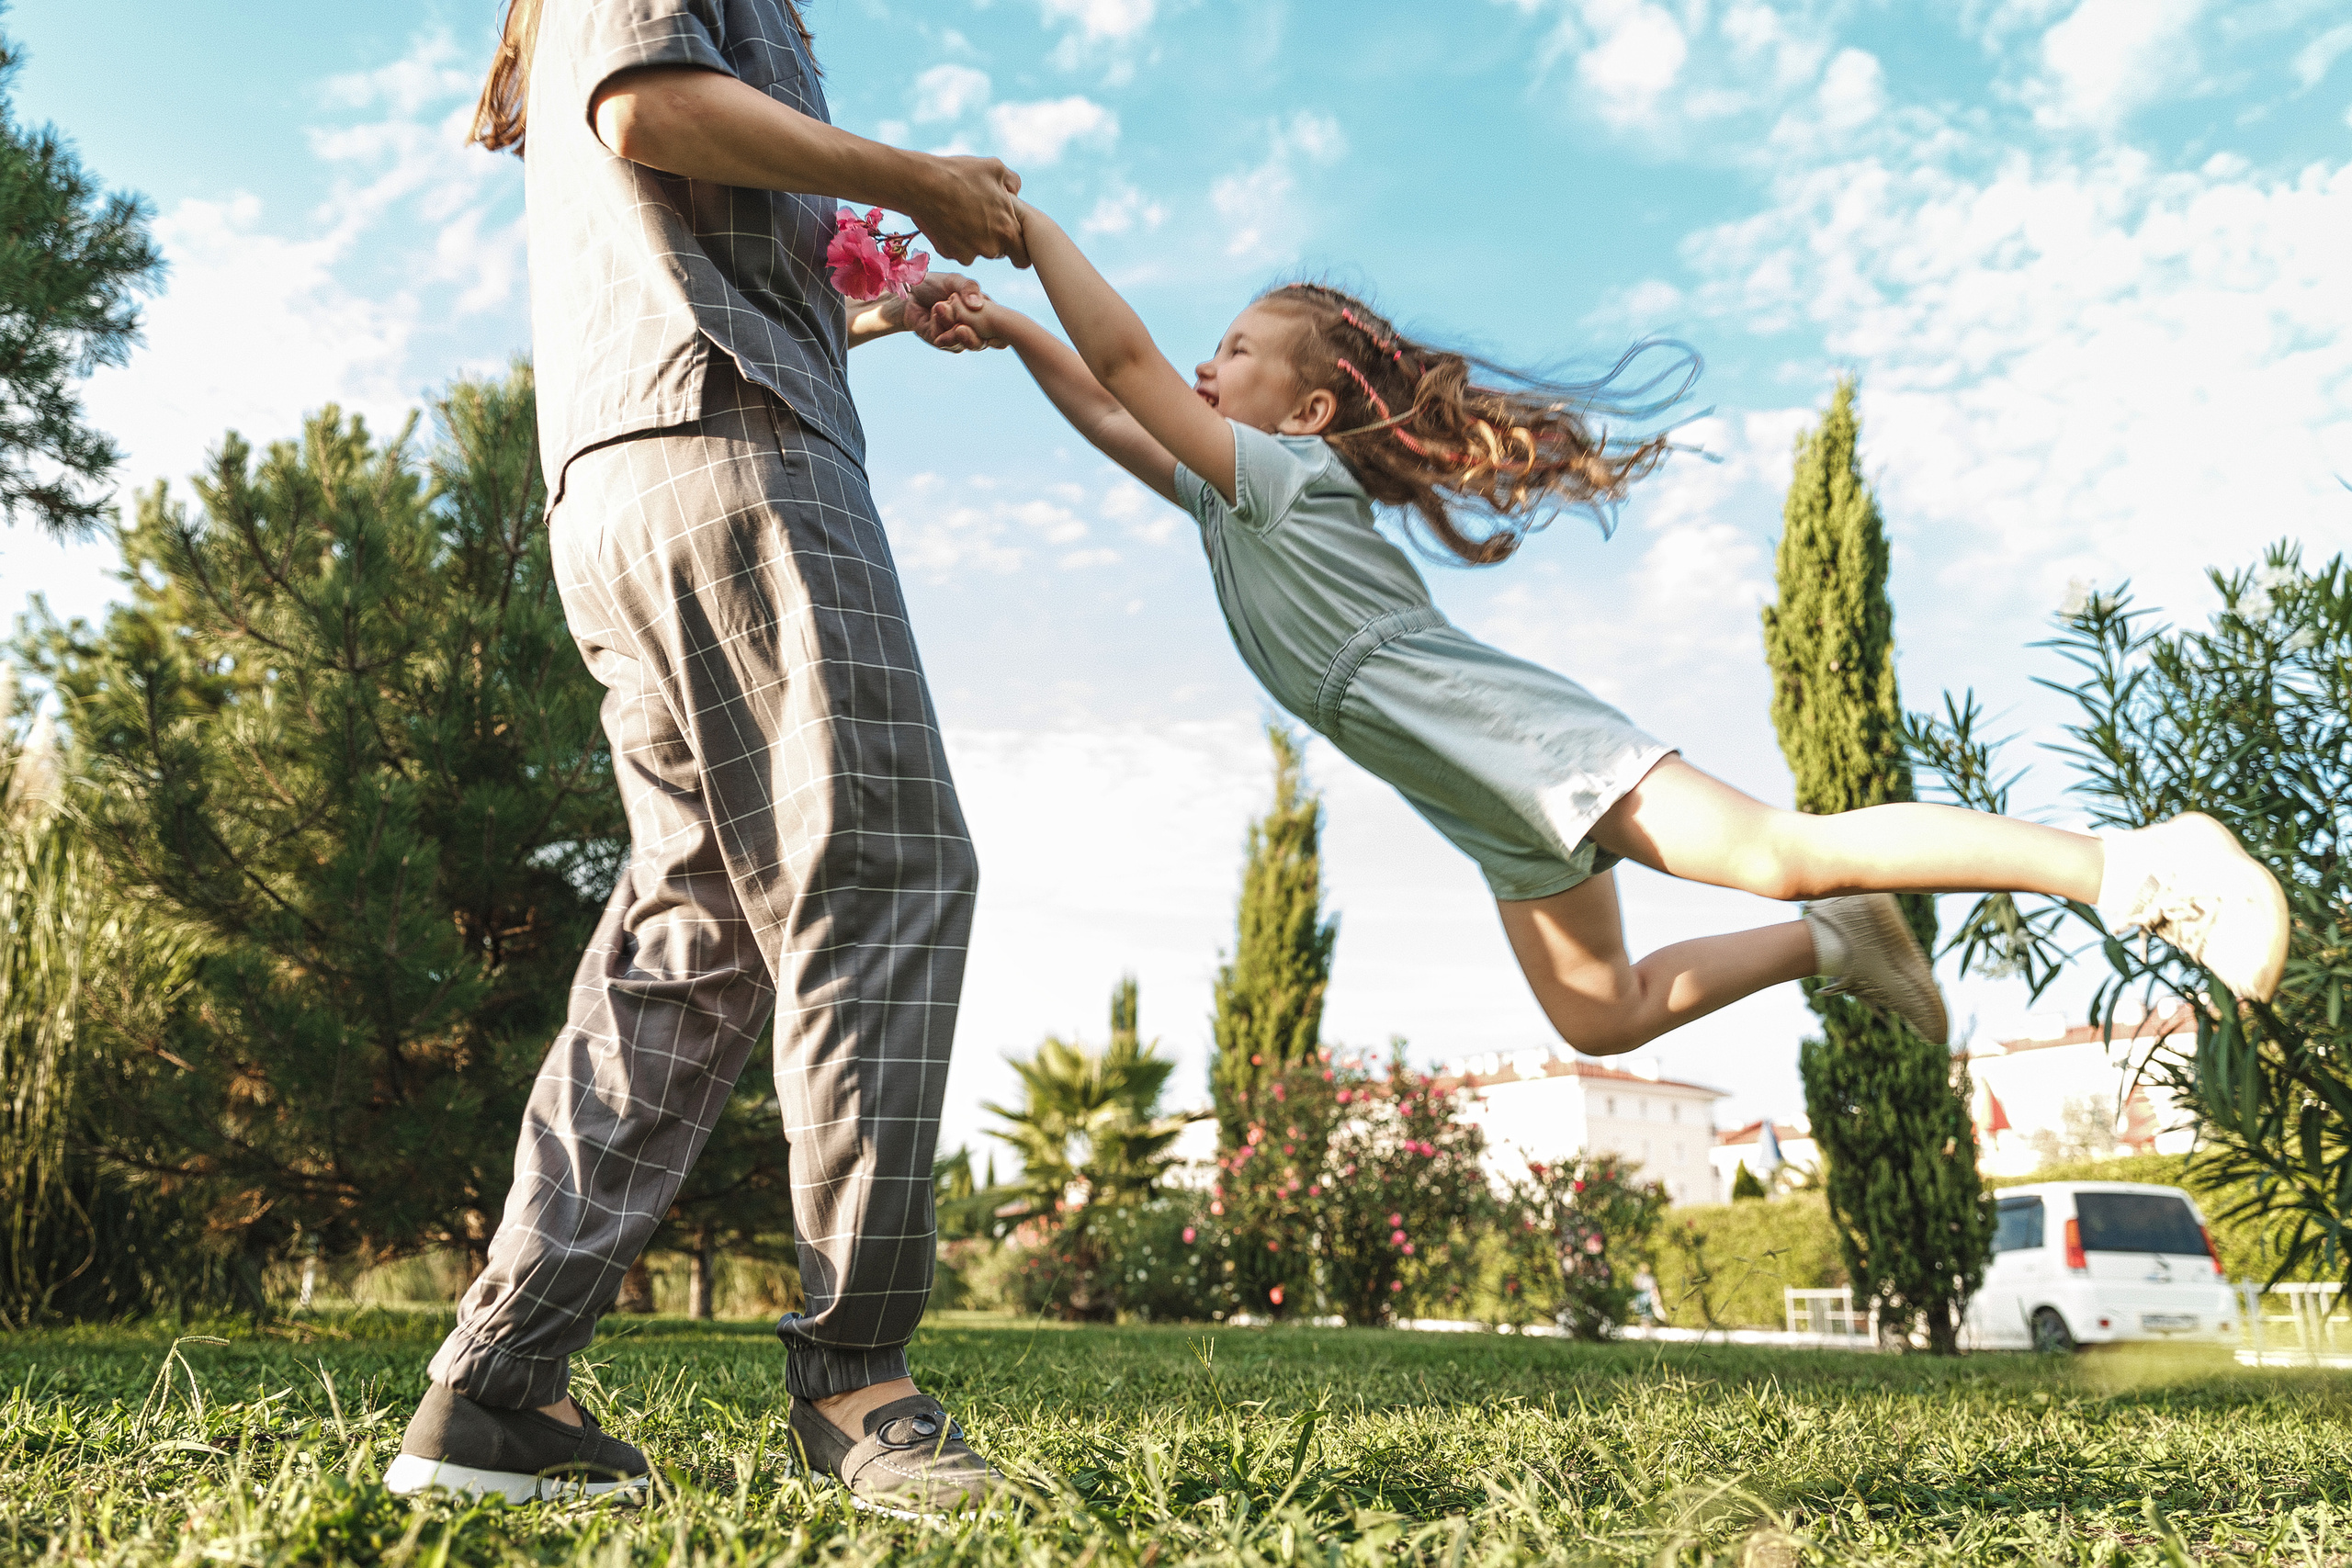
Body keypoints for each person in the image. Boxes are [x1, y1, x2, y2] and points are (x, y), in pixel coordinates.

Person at [925, 203, 2291, 1063]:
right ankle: (1838, 943)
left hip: (1511, 738)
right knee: (1600, 1015)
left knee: (1775, 852)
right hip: (1472, 785)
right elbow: (1108, 406)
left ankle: (2134, 868)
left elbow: (1127, 373)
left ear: (1310, 412)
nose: (1203, 365)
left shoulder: (1279, 473)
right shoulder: (1229, 495)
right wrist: (1007, 329)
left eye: (1231, 350)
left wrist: (1023, 231)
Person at [389, 0, 1022, 1515]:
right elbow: (648, 106)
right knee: (877, 861)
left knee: (703, 928)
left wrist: (874, 308)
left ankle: (498, 1391)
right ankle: (860, 1384)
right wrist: (922, 180)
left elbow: (685, 220)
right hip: (732, 438)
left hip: (641, 460)